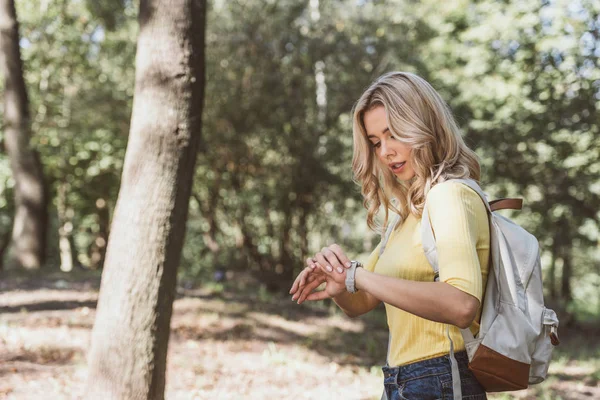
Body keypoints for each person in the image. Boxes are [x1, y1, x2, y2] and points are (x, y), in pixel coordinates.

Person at [289, 71, 489, 399]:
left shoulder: (450, 195)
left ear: (424, 125)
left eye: (393, 134)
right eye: (375, 142)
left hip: (442, 376)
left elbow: (462, 304)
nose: (385, 152)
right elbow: (363, 300)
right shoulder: (405, 213)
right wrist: (341, 282)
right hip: (401, 380)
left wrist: (360, 276)